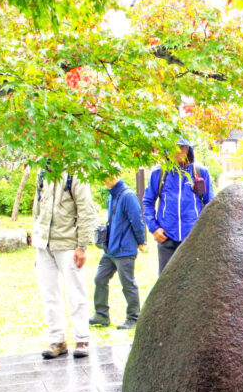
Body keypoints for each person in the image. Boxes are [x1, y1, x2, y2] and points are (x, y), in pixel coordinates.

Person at [32, 160, 99, 359]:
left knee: (76, 293)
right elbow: (37, 208)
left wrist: (82, 246)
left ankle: (82, 339)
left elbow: (86, 210)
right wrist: (36, 237)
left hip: (69, 244)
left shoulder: (75, 172)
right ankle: (57, 340)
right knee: (49, 294)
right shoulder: (43, 172)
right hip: (44, 245)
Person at [142, 138, 214, 273]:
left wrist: (205, 231)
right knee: (165, 285)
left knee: (193, 283)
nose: (179, 151)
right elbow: (147, 201)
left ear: (189, 149)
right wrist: (154, 228)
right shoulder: (159, 173)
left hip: (193, 239)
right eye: (174, 147)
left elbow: (210, 203)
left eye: (183, 147)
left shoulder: (199, 171)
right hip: (167, 237)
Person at [89, 171, 149, 330]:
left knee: (127, 284)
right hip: (110, 250)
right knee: (99, 279)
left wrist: (141, 241)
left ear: (117, 175)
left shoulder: (128, 195)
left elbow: (137, 220)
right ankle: (101, 315)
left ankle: (134, 317)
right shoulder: (111, 196)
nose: (106, 180)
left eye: (108, 175)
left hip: (125, 250)